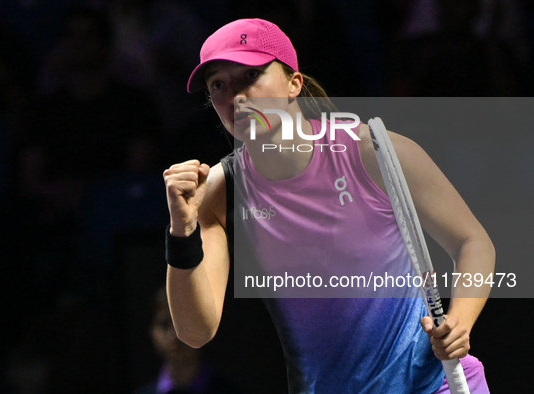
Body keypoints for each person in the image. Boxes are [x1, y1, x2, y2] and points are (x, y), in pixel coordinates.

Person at [163, 18, 495, 393]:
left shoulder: (376, 152)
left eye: (250, 75)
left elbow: (472, 242)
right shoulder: (223, 191)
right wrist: (182, 230)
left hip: (434, 386)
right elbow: (195, 332)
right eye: (218, 85)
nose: (235, 96)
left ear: (294, 83)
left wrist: (460, 322)